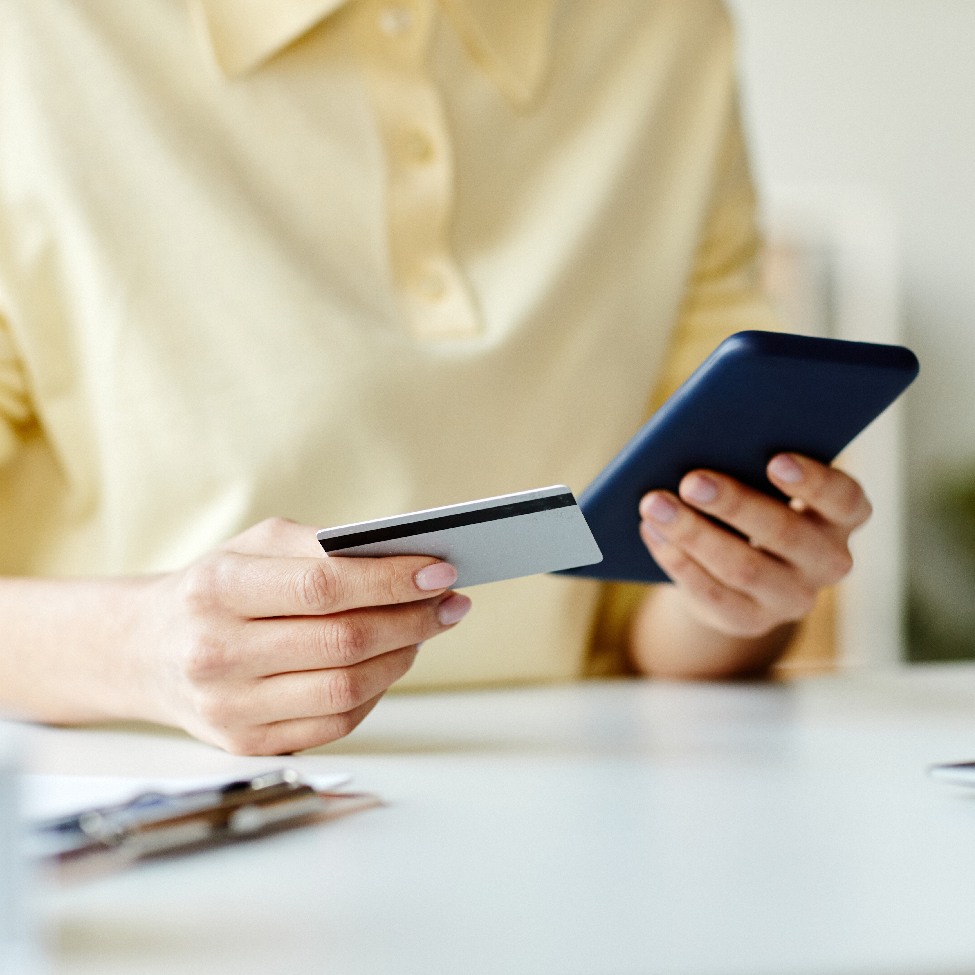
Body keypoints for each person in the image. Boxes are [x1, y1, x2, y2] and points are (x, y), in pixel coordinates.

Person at [0, 0, 870, 754]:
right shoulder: (36, 40)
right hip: (146, 806)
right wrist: (142, 647)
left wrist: (742, 590)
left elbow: (658, 621)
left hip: (582, 793)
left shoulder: (667, 33)